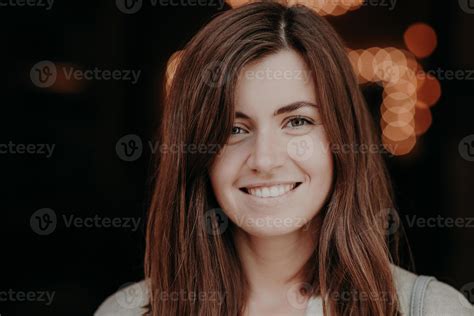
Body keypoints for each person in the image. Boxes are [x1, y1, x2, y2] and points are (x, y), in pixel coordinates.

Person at [95, 2, 473, 315]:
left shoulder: (432, 309)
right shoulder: (125, 312)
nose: (264, 159)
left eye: (297, 121)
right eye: (233, 129)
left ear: (341, 139)